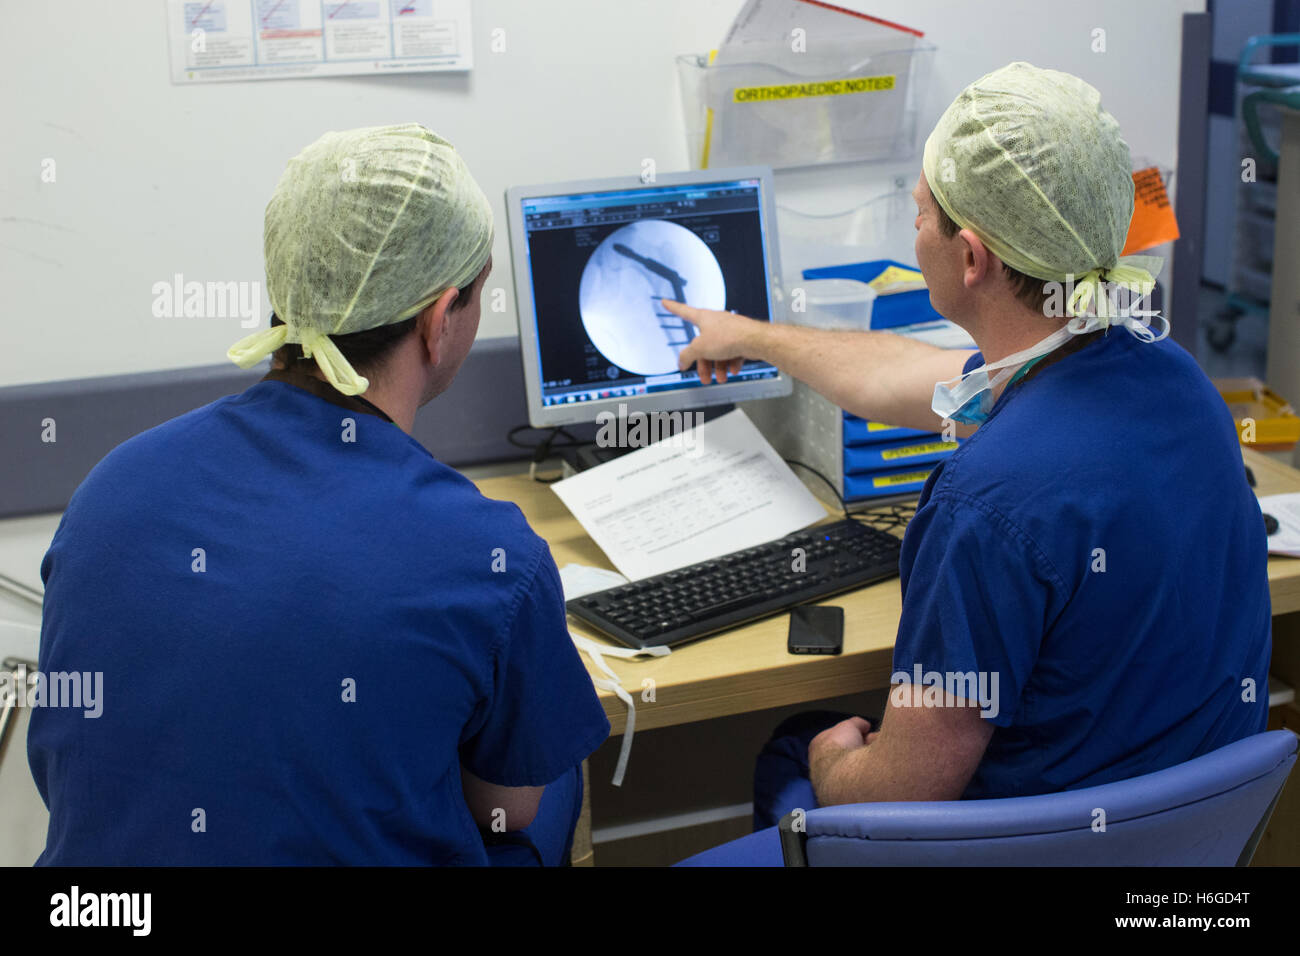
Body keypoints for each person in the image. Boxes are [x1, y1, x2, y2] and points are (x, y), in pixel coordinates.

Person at [664, 63, 1272, 848]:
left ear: (973, 257)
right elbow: (894, 376)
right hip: (1177, 848)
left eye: (919, 214)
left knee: (798, 746)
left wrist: (829, 757)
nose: (913, 232)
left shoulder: (984, 506)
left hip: (1023, 849)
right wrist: (747, 336)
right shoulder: (1174, 379)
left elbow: (903, 792)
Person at [29, 123, 609, 865]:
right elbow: (504, 808)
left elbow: (70, 773)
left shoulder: (113, 485)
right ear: (440, 321)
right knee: (544, 781)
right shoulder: (489, 554)